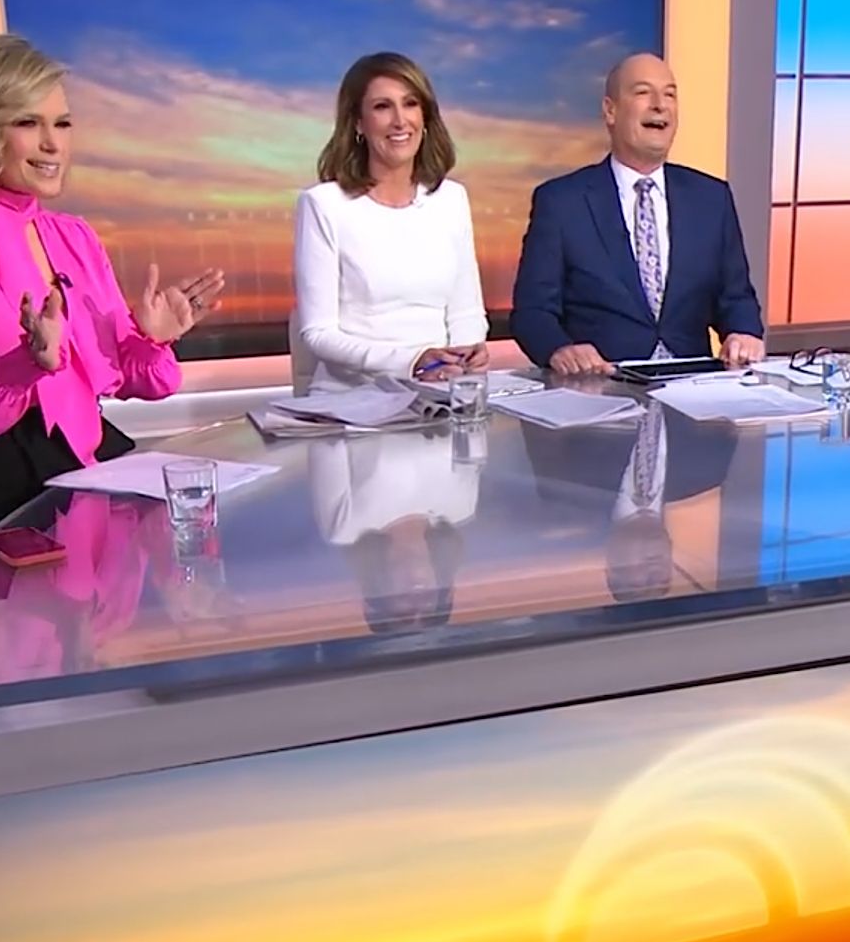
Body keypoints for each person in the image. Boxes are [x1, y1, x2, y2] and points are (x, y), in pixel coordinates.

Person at [0, 34, 224, 599]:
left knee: (194, 539)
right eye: (27, 123)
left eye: (62, 124)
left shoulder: (74, 236)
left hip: (72, 457)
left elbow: (126, 378)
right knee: (92, 587)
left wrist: (152, 340)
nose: (52, 144)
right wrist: (20, 368)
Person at [511, 53, 765, 375]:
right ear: (610, 110)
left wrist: (743, 333)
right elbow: (532, 312)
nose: (660, 105)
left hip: (692, 384)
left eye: (670, 94)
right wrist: (559, 349)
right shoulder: (562, 202)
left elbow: (736, 297)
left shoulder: (711, 197)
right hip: (602, 387)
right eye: (643, 92)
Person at [293, 52, 488, 393]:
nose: (400, 121)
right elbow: (319, 334)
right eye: (382, 107)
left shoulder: (451, 198)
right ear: (358, 123)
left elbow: (465, 310)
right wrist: (412, 362)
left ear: (425, 116)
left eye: (410, 104)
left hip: (443, 392)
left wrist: (466, 354)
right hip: (354, 400)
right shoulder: (324, 204)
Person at [519, 404, 738, 603]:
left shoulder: (566, 485)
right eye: (663, 579)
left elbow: (536, 411)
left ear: (612, 563)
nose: (655, 571)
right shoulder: (708, 470)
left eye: (643, 583)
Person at [310, 430, 478, 633]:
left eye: (404, 612)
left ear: (378, 592)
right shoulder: (462, 506)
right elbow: (472, 427)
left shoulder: (344, 527)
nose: (417, 603)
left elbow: (324, 436)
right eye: (427, 609)